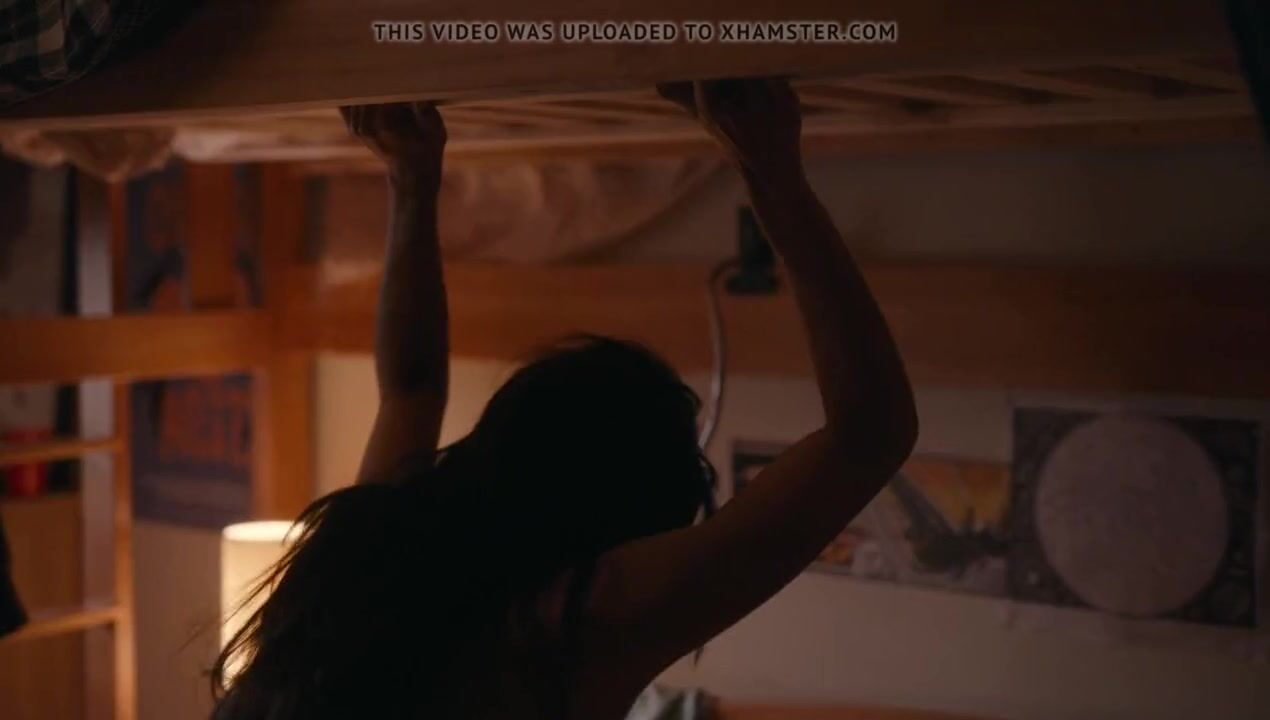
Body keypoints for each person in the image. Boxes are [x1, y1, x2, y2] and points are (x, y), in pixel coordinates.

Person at [211, 78, 917, 720]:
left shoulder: (370, 549)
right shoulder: (585, 619)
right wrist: (774, 178)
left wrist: (413, 178)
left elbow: (411, 387)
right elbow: (869, 437)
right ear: (631, 514)